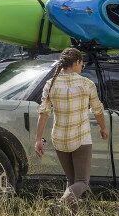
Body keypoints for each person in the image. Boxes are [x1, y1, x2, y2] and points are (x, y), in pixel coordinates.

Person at [34, 47, 108, 203]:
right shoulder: (86, 84)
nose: (82, 67)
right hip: (81, 138)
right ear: (77, 62)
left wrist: (38, 139)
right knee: (82, 181)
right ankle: (61, 204)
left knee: (72, 180)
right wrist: (103, 128)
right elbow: (97, 110)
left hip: (59, 140)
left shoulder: (50, 84)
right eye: (82, 64)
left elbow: (44, 112)